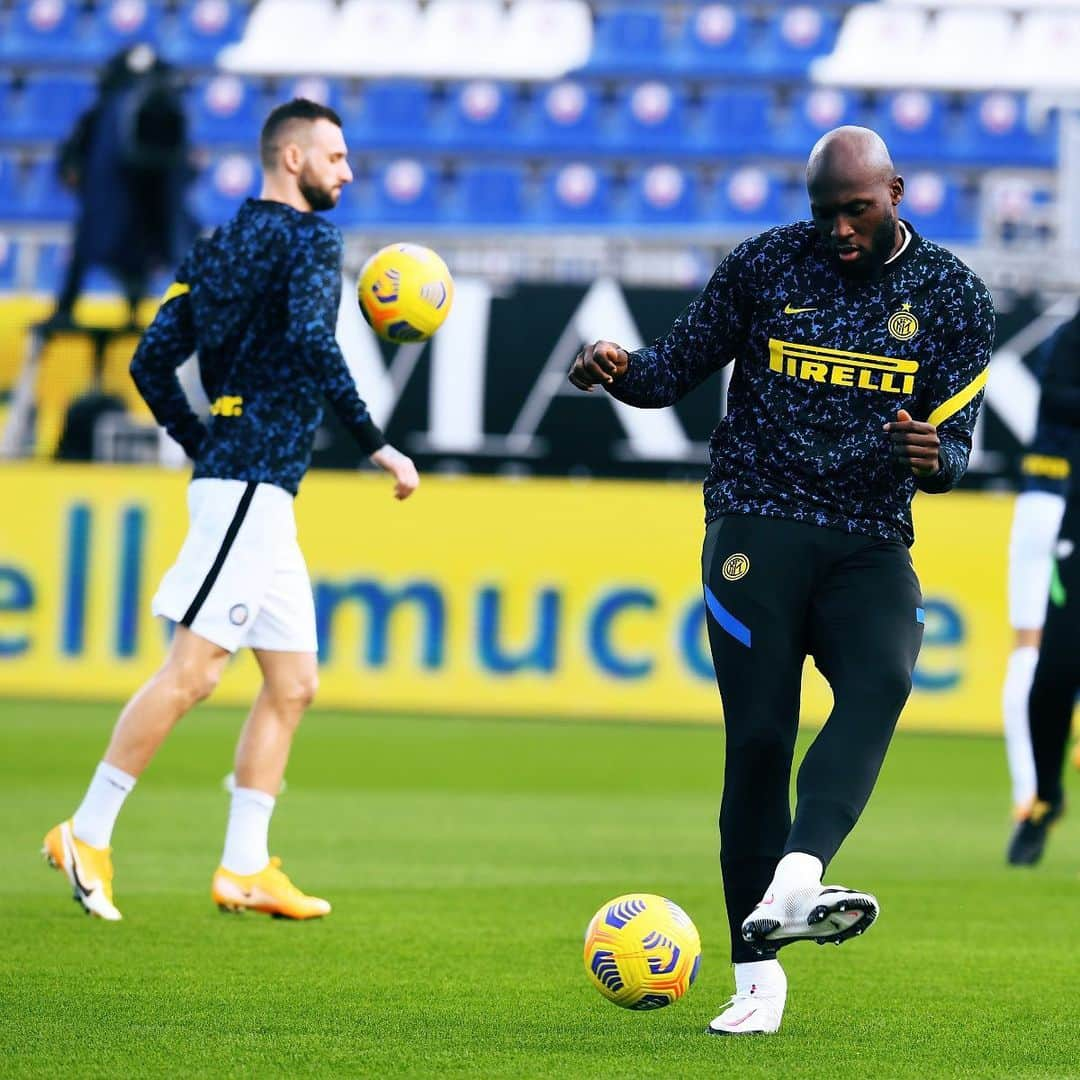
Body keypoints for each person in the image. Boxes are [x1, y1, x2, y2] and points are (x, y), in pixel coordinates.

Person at [568, 126, 994, 1035]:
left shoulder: (953, 294)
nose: (839, 230)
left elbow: (956, 444)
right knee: (760, 741)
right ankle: (757, 986)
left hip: (870, 537)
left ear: (897, 193)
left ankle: (798, 880)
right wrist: (612, 370)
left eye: (857, 210)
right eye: (825, 213)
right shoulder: (765, 266)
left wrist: (935, 456)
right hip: (756, 520)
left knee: (883, 679)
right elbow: (665, 374)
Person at [43, 98, 419, 922]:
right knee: (195, 673)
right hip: (250, 485)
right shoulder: (312, 239)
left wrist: (203, 438)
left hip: (249, 483)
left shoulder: (215, 247)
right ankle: (88, 830)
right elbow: (316, 344)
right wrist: (376, 444)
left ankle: (245, 867)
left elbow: (151, 362)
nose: (347, 172)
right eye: (336, 157)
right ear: (293, 160)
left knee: (293, 682)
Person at [1002, 313, 1080, 863]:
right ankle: (1035, 799)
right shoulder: (1072, 337)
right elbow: (1056, 399)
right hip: (1055, 502)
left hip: (1051, 498)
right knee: (1041, 663)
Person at [48, 44, 196, 329]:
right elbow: (75, 152)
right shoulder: (106, 111)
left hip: (146, 202)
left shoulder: (159, 105)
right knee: (93, 246)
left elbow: (180, 161)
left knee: (138, 253)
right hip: (113, 199)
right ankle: (67, 309)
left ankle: (137, 310)